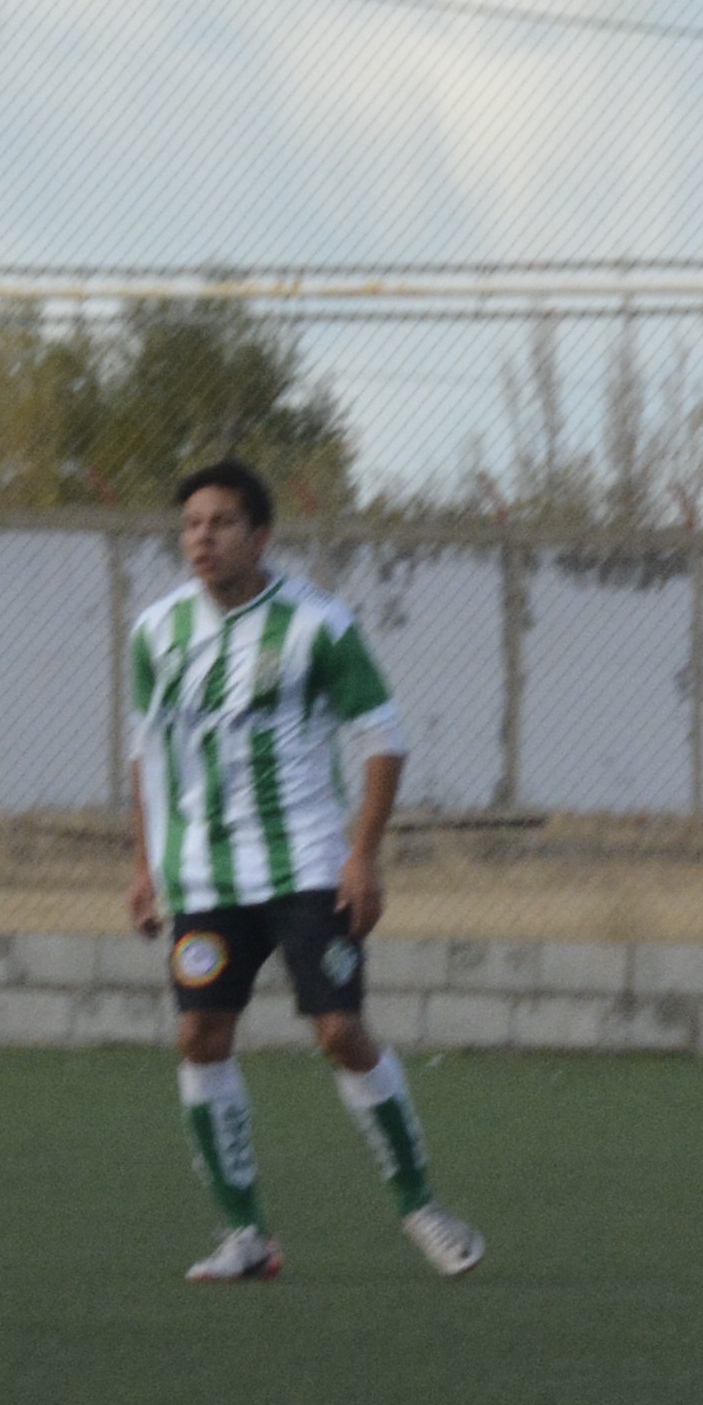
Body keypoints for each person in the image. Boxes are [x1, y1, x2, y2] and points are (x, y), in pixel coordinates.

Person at [124, 459, 479, 1286]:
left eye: (218, 524)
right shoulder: (156, 632)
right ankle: (246, 1236)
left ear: (261, 535)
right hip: (204, 876)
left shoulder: (317, 624)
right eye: (190, 526)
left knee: (337, 1032)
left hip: (306, 865)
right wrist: (145, 864)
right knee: (198, 1035)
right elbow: (148, 752)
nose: (200, 539)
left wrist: (364, 855)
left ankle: (421, 1206)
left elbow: (383, 738)